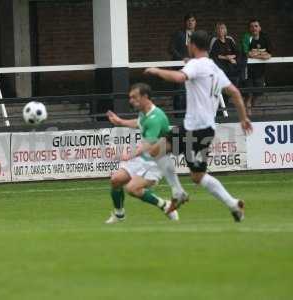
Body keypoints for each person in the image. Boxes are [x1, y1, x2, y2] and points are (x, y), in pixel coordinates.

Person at [145, 30, 253, 222]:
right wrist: (244, 118)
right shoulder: (214, 67)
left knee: (157, 150)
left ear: (192, 45)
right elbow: (235, 93)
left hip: (194, 129)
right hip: (206, 129)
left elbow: (179, 78)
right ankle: (233, 204)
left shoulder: (196, 64)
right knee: (198, 176)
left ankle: (178, 192)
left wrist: (156, 71)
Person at [105, 83, 187, 224]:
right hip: (142, 157)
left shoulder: (156, 118)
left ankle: (164, 205)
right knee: (115, 180)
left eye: (134, 97)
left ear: (145, 97)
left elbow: (147, 146)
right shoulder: (144, 112)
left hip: (156, 161)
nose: (131, 100)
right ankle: (119, 215)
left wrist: (127, 156)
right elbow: (140, 123)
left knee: (132, 189)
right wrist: (120, 121)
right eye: (130, 97)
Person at [241, 19, 272, 115]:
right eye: (252, 26)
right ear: (249, 28)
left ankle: (250, 109)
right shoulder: (247, 37)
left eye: (256, 26)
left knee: (257, 94)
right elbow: (247, 54)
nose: (254, 28)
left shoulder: (265, 37)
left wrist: (256, 54)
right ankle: (248, 117)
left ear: (260, 28)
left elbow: (269, 55)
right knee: (249, 95)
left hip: (260, 71)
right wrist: (262, 54)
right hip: (248, 70)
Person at [169, 13, 197, 118]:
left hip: (194, 69)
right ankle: (179, 117)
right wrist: (182, 59)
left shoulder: (197, 35)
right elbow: (171, 48)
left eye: (193, 20)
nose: (191, 22)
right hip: (180, 68)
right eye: (189, 20)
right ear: (185, 22)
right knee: (179, 93)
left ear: (195, 22)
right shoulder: (179, 34)